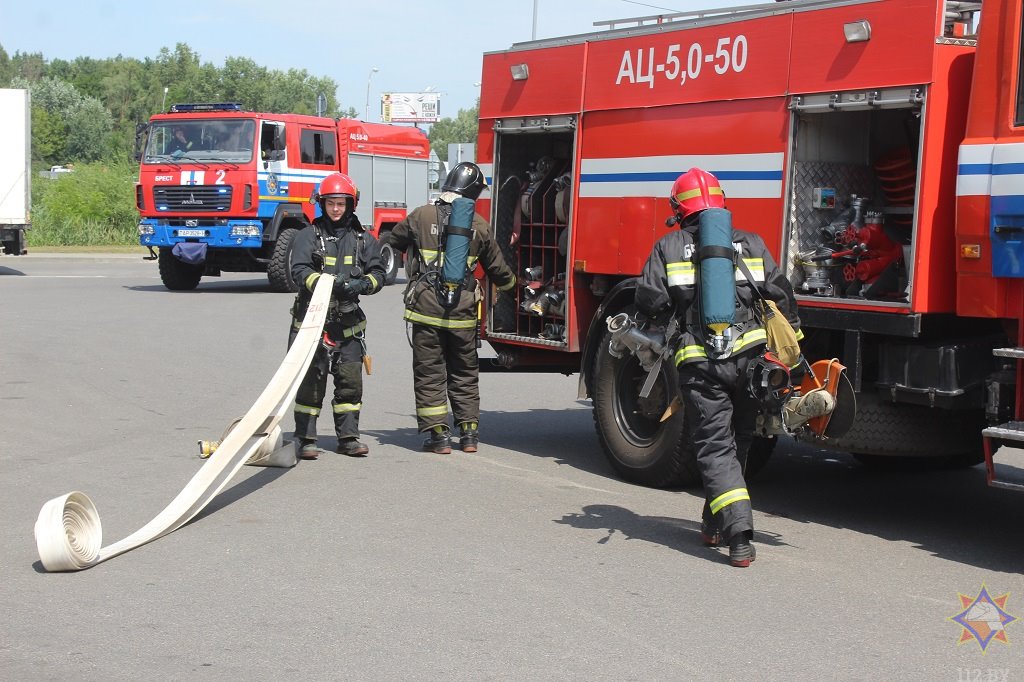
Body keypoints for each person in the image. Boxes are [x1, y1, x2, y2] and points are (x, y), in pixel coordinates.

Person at [633, 168, 802, 567]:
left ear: (679, 208)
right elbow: (782, 296)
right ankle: (713, 522)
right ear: (721, 202)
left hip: (702, 362)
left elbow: (650, 301)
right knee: (738, 440)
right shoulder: (752, 243)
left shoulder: (669, 246)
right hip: (753, 362)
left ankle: (738, 533)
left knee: (713, 446)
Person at [386, 162, 517, 454]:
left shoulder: (421, 215)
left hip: (425, 310)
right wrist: (513, 290)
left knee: (430, 371)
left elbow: (392, 240)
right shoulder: (479, 225)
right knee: (464, 372)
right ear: (472, 191)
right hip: (463, 313)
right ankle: (469, 435)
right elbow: (499, 271)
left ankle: (438, 437)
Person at [289, 172, 385, 459]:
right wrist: (324, 283)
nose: (335, 209)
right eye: (330, 203)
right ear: (322, 204)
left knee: (350, 383)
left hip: (348, 325)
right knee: (310, 382)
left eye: (341, 203)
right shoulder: (308, 236)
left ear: (350, 204)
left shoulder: (363, 239)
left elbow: (378, 274)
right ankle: (305, 439)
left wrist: (362, 284)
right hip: (312, 324)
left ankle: (349, 438)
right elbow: (298, 271)